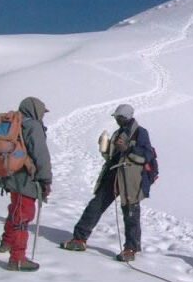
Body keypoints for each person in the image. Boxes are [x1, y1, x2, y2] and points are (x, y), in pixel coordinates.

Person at [61, 104, 154, 262]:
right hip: (114, 175)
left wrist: (126, 149)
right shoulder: (119, 132)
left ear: (125, 117)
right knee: (96, 205)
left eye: (118, 117)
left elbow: (146, 155)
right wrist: (104, 148)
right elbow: (112, 157)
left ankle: (131, 248)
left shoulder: (140, 132)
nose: (116, 120)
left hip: (130, 179)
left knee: (130, 212)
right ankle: (79, 239)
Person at [0, 97, 52, 272]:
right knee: (23, 216)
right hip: (25, 179)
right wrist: (46, 179)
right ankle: (17, 259)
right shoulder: (33, 126)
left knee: (15, 210)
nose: (43, 115)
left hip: (9, 174)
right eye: (42, 112)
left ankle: (6, 242)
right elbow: (41, 155)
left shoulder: (14, 121)